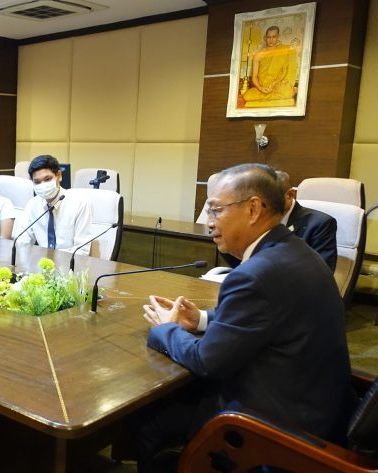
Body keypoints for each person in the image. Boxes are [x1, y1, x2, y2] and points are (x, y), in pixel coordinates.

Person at [137, 163, 354, 472]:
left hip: (277, 430)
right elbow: (266, 316)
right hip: (323, 410)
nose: (208, 222)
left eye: (215, 210)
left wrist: (167, 328)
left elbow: (207, 362)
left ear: (253, 209)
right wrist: (199, 319)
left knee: (150, 418)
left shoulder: (254, 274)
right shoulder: (299, 253)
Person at [219, 170, 337, 271]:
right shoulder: (254, 217)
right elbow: (241, 263)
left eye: (270, 199)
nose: (261, 206)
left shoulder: (320, 224)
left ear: (289, 195)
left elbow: (322, 272)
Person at [12, 155, 92, 252]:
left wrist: (53, 259)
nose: (43, 185)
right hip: (40, 260)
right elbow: (21, 241)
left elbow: (82, 250)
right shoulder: (32, 204)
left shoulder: (80, 204)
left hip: (69, 260)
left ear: (59, 176)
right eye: (37, 182)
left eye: (47, 179)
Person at [242, 26, 297, 103]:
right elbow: (254, 77)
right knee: (247, 95)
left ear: (278, 37)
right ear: (265, 38)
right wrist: (261, 88)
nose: (271, 40)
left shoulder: (283, 51)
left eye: (274, 37)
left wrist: (273, 84)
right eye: (269, 37)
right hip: (262, 88)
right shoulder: (258, 55)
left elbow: (284, 72)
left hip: (276, 86)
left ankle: (271, 96)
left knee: (286, 91)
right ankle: (274, 96)